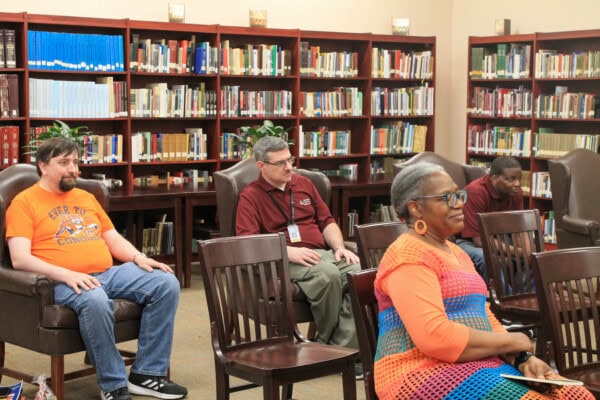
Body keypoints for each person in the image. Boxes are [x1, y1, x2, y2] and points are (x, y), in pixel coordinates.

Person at [373, 162, 593, 400]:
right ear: (415, 208)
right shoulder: (407, 256)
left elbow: (483, 316)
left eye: (458, 195)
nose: (459, 203)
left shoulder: (455, 252)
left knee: (576, 395)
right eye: (447, 197)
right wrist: (512, 340)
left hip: (474, 362)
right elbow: (435, 338)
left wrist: (522, 358)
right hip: (419, 371)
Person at [5, 138, 188, 400]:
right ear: (43, 166)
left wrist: (138, 257)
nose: (73, 169)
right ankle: (113, 385)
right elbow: (20, 259)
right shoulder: (24, 203)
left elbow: (112, 238)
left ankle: (147, 374)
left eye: (76, 162)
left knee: (165, 282)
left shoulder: (86, 197)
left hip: (107, 273)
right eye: (64, 162)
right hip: (59, 281)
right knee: (95, 299)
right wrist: (67, 274)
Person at [236, 136, 361, 352]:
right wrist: (288, 252)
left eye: (290, 160)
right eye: (280, 163)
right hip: (282, 258)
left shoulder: (304, 184)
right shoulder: (250, 196)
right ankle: (330, 350)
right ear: (261, 166)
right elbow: (249, 241)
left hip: (322, 253)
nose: (289, 167)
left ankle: (339, 348)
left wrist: (339, 247)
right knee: (327, 275)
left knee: (359, 272)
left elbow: (327, 221)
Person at [456, 155, 524, 282]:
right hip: (469, 241)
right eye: (510, 179)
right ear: (494, 178)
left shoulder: (516, 193)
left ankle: (526, 296)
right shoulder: (476, 192)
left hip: (501, 238)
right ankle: (503, 299)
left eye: (520, 179)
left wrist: (527, 250)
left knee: (536, 255)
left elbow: (518, 227)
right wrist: (518, 252)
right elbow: (479, 241)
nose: (517, 184)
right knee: (488, 258)